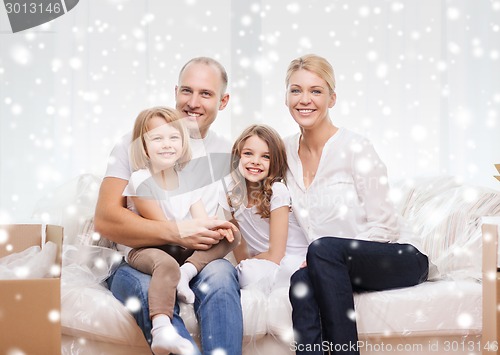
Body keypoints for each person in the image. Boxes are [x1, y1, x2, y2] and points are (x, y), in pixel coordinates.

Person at [94, 57, 243, 355]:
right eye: (186, 91)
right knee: (150, 283)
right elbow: (106, 219)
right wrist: (177, 232)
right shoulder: (134, 143)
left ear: (223, 101)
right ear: (175, 91)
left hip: (196, 260)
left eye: (206, 93)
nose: (193, 102)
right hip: (139, 259)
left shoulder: (227, 153)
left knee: (222, 279)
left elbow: (234, 219)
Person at [284, 54, 429, 355]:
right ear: (286, 97)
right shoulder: (284, 152)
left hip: (397, 256)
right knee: (300, 280)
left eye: (316, 90)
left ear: (332, 98)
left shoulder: (355, 148)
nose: (304, 99)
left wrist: (329, 258)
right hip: (329, 262)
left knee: (323, 249)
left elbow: (385, 225)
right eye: (296, 90)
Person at [121, 107, 239, 354]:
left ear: (183, 143)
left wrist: (217, 229)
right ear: (143, 146)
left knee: (231, 235)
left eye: (173, 137)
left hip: (181, 247)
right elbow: (163, 228)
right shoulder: (139, 180)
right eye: (157, 138)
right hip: (149, 249)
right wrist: (195, 234)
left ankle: (187, 272)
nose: (167, 145)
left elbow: (201, 219)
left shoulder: (187, 181)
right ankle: (162, 328)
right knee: (166, 264)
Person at [221, 124, 309, 293]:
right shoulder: (232, 198)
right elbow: (242, 257)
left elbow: (276, 255)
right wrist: (250, 264)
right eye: (248, 153)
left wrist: (252, 262)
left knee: (254, 271)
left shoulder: (277, 191)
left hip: (290, 260)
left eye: (265, 157)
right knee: (244, 273)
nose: (255, 161)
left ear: (275, 162)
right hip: (262, 264)